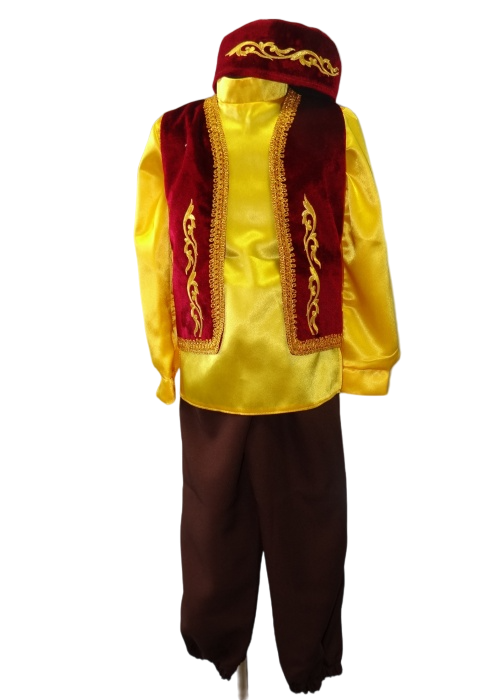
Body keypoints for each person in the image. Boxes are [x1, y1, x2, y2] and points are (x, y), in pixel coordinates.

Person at [134, 18, 400, 696]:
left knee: (211, 517)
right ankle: (307, 658)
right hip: (303, 369)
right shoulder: (335, 128)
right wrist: (369, 357)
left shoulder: (173, 131)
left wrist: (165, 357)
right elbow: (361, 243)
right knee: (309, 520)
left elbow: (156, 255)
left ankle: (217, 647)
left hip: (210, 366)